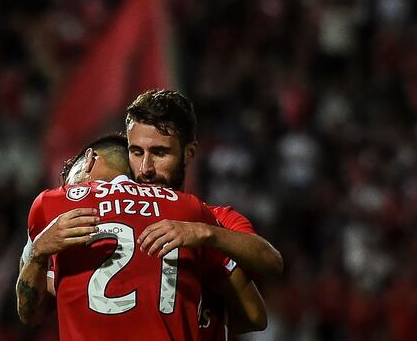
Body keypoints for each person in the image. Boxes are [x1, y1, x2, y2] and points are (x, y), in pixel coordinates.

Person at [17, 134, 264, 340]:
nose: (66, 183)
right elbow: (254, 314)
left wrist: (37, 253)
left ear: (90, 159)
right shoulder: (189, 209)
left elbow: (29, 314)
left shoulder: (54, 204)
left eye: (68, 173)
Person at [126, 89, 283, 339]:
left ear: (189, 152)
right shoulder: (114, 218)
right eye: (136, 152)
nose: (146, 168)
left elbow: (271, 264)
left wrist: (203, 232)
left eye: (159, 152)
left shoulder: (215, 218)